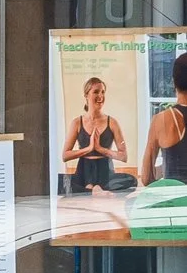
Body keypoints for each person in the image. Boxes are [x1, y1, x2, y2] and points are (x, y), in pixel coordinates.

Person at [63, 76, 134, 195]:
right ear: (86, 95)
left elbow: (123, 156)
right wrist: (89, 149)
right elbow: (65, 155)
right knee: (60, 183)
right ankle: (95, 189)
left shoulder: (112, 122)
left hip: (105, 171)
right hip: (84, 171)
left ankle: (89, 190)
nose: (100, 96)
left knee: (132, 181)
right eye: (96, 92)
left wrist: (100, 149)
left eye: (103, 92)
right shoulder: (77, 123)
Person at [139, 56, 187, 188]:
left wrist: (167, 167)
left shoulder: (162, 119)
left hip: (176, 202)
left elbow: (146, 178)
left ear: (173, 82)